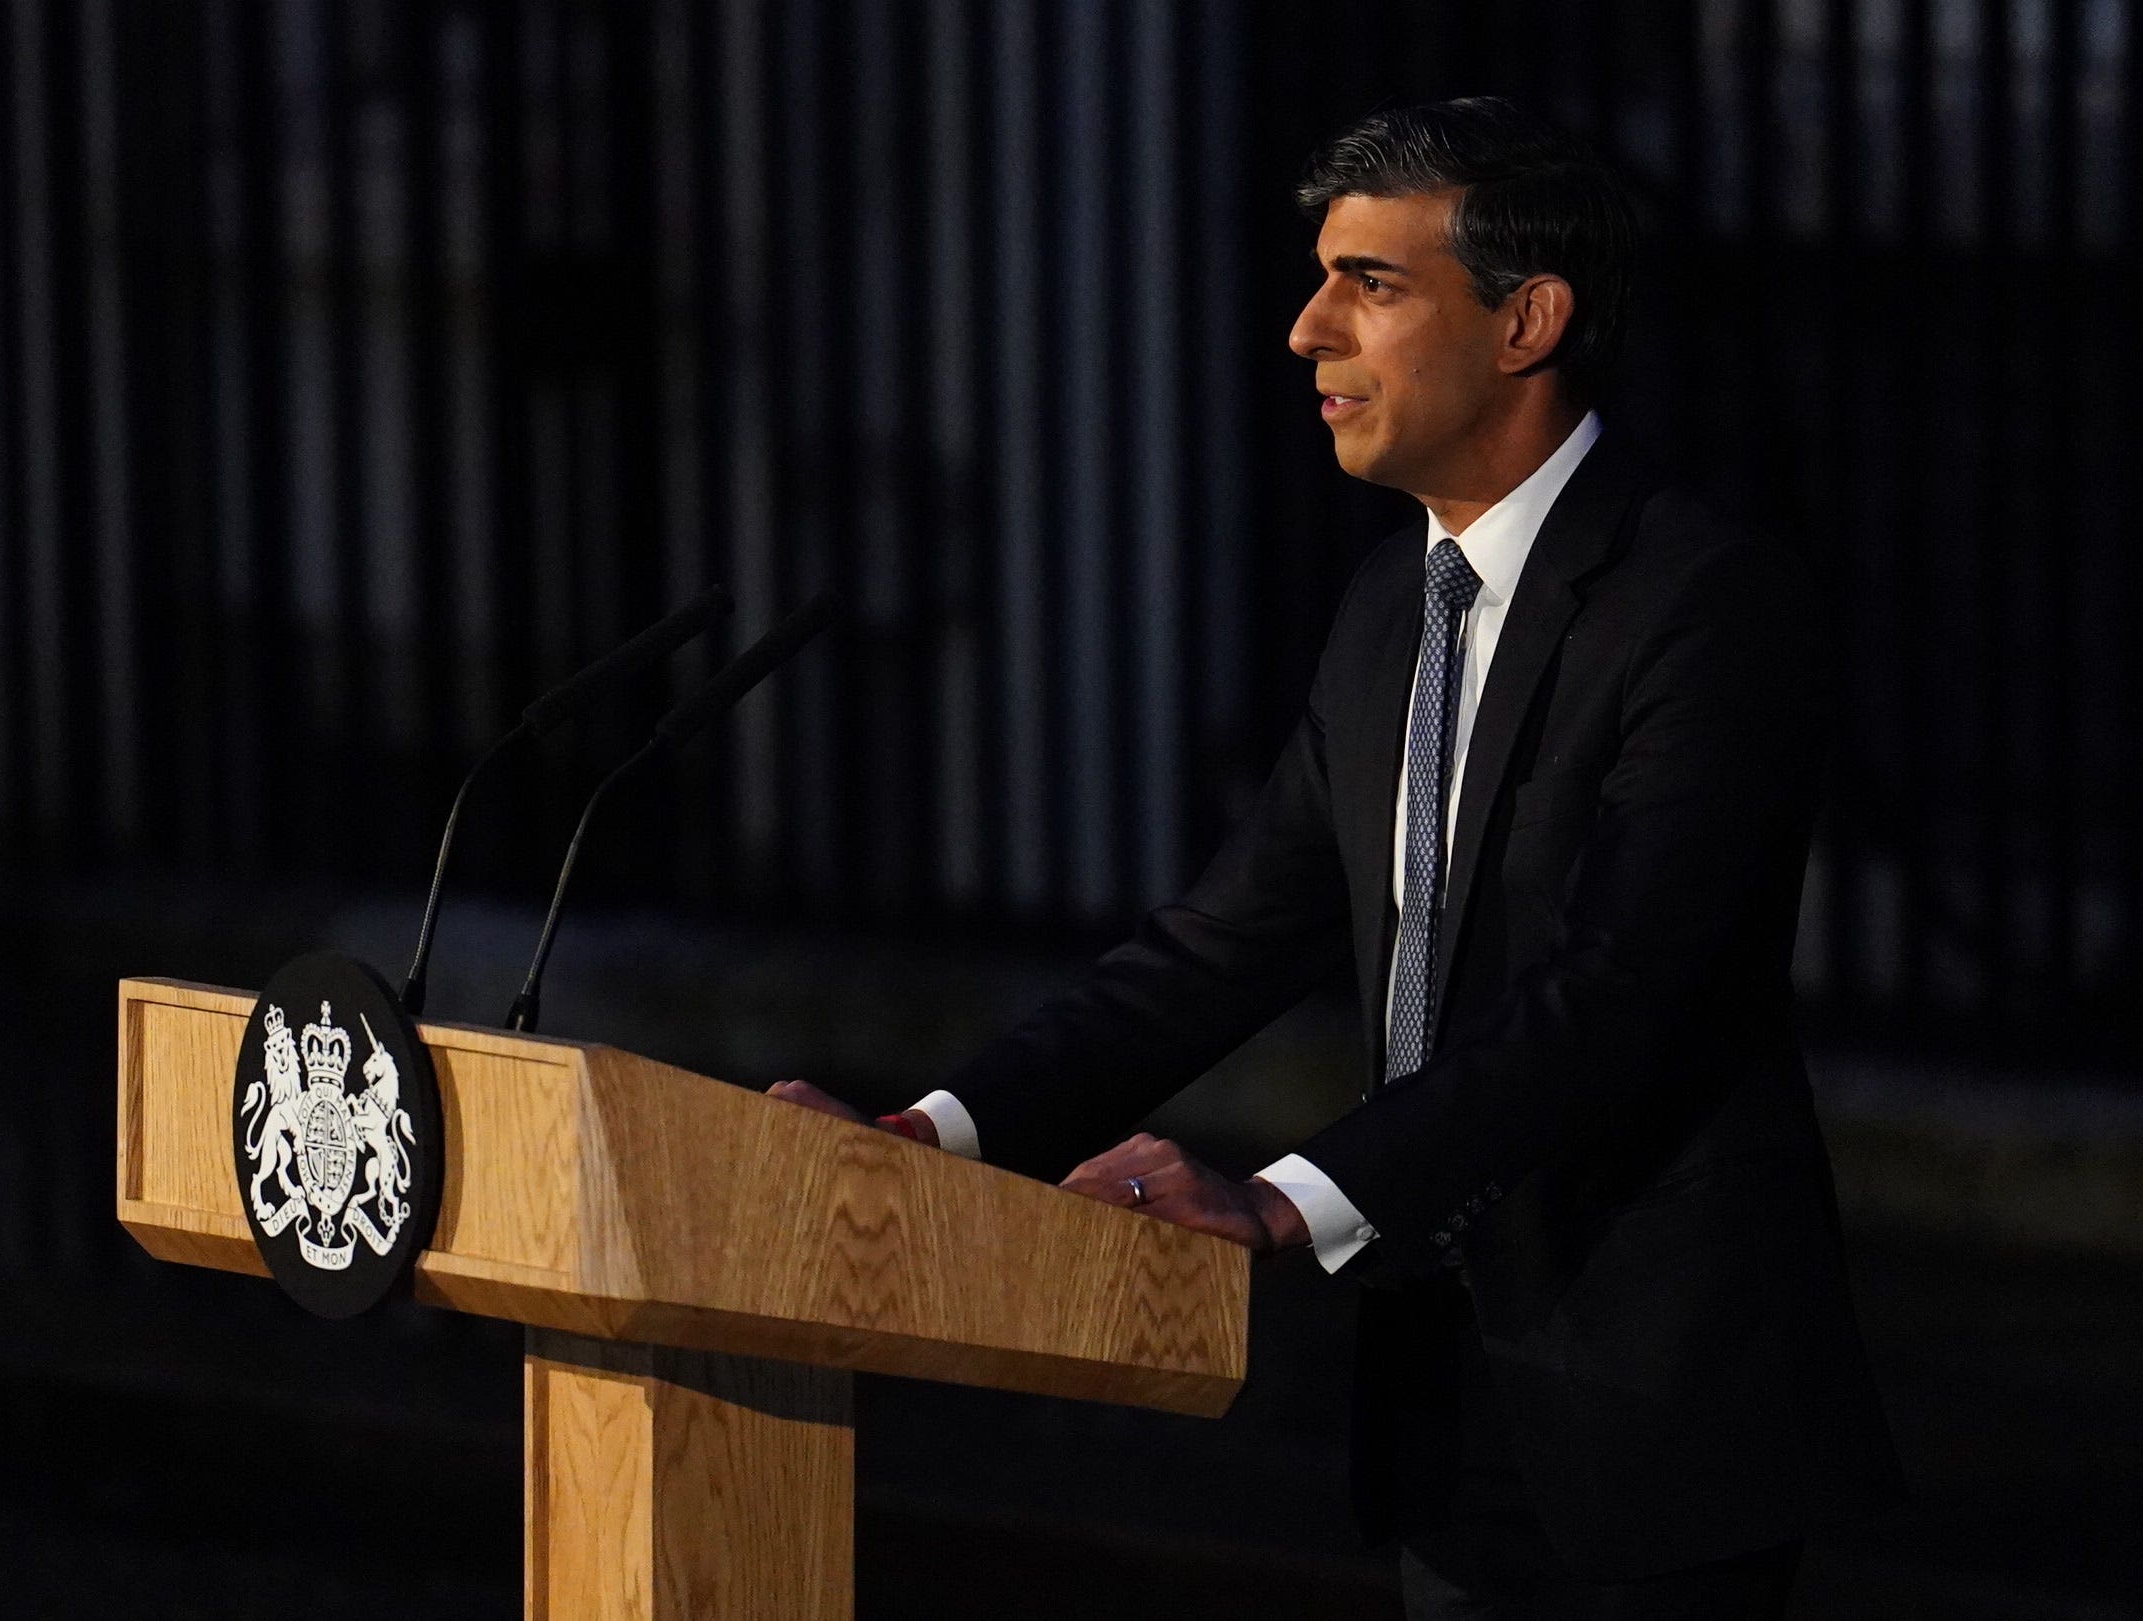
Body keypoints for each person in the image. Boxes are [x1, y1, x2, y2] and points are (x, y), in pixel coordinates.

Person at [771, 95, 1900, 1619]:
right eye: (1321, 278)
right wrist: (935, 1136)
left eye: (1370, 284)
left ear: (1527, 321)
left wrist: (1280, 1200)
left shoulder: (1703, 602)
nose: (1308, 331)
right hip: (1439, 1401)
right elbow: (1218, 945)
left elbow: (1615, 994)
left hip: (1655, 1415)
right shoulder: (1389, 606)